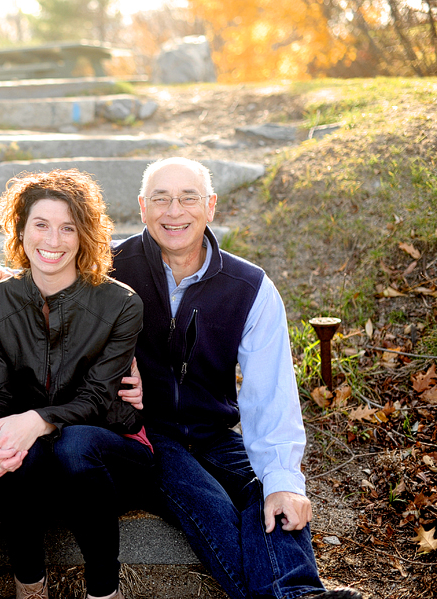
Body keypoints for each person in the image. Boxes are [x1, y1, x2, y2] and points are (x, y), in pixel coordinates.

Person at [112, 157, 363, 599]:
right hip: (145, 435)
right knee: (206, 500)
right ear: (142, 207)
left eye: (188, 198)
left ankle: (299, 595)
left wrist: (284, 477)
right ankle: (294, 594)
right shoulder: (110, 268)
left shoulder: (249, 286)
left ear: (210, 206)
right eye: (161, 199)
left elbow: (271, 392)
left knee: (269, 490)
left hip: (213, 430)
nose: (175, 211)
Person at [0, 169, 153, 599]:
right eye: (41, 225)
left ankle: (104, 592)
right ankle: (30, 586)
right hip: (36, 460)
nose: (52, 241)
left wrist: (37, 419)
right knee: (12, 446)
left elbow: (98, 399)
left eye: (67, 227)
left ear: (84, 235)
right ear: (20, 229)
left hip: (109, 449)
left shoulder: (121, 303)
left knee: (74, 444)